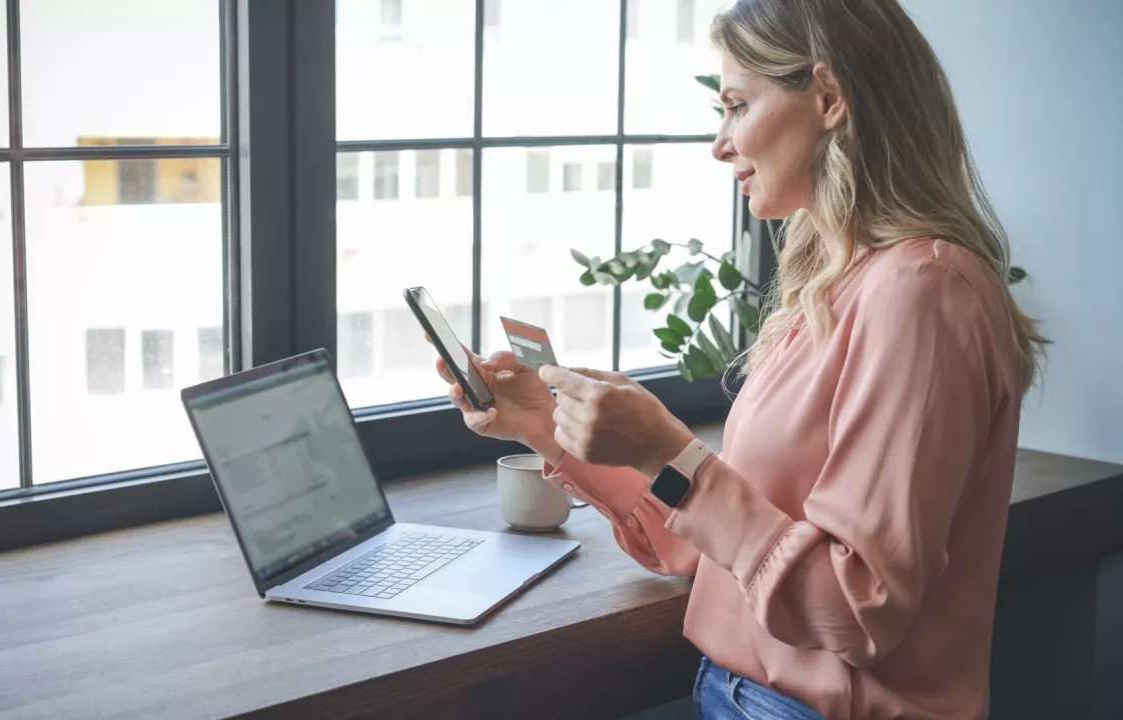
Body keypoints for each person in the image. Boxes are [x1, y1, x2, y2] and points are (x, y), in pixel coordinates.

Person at [432, 0, 1047, 717]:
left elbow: (853, 610)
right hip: (740, 695)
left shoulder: (923, 292)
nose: (720, 144)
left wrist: (672, 451)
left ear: (828, 98)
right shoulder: (832, 288)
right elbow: (711, 550)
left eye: (736, 105)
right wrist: (548, 426)